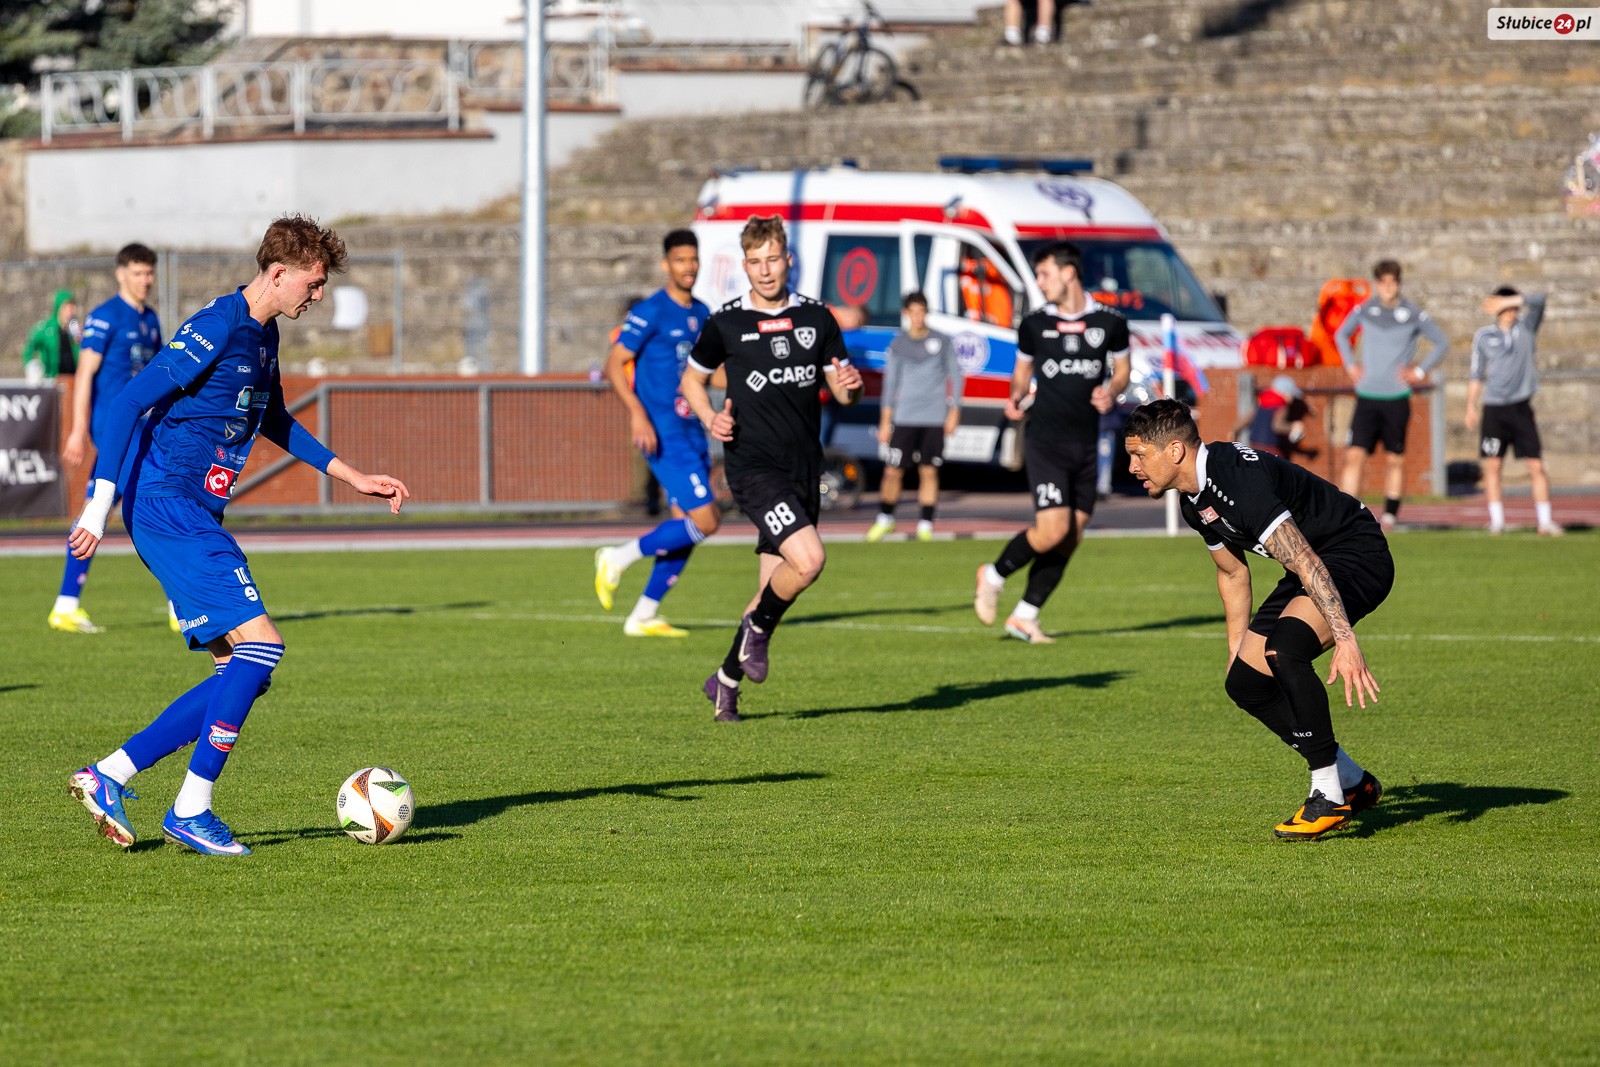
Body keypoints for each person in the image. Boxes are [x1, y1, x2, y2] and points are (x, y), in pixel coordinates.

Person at [66, 215, 410, 856]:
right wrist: (97, 507)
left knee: (241, 670)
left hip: (192, 511)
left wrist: (351, 475)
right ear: (278, 273)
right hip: (168, 506)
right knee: (263, 648)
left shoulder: (264, 335)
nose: (319, 295)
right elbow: (128, 402)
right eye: (313, 283)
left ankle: (109, 774)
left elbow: (272, 415)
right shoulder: (218, 326)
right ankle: (190, 809)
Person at [1123, 399, 1390, 840]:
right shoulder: (1194, 501)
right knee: (1245, 683)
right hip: (1312, 564)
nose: (1133, 466)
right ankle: (1352, 780)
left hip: (1355, 554)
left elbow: (1305, 560)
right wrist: (1236, 650)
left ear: (1174, 451)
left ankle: (1327, 794)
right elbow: (1232, 573)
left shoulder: (1236, 482)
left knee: (1285, 650)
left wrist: (1345, 640)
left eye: (1139, 455)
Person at [680, 214, 863, 722]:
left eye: (773, 259)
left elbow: (844, 390)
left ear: (788, 260)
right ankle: (757, 632)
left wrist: (851, 385)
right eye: (755, 262)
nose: (765, 270)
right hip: (753, 467)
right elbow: (692, 381)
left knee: (769, 590)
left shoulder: (817, 318)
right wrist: (710, 418)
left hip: (803, 468)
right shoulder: (727, 323)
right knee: (809, 560)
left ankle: (723, 682)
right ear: (744, 266)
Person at [973, 241, 1129, 644]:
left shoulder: (1110, 322)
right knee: (1052, 530)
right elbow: (1021, 374)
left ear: (1068, 272)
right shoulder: (1034, 324)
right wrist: (1016, 396)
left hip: (1086, 443)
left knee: (1072, 535)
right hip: (1045, 440)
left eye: (1044, 274)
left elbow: (1122, 370)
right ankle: (993, 575)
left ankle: (1025, 616)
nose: (1039, 282)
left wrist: (1111, 391)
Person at [593, 231, 718, 637]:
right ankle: (617, 557)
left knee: (686, 526)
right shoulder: (651, 311)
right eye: (680, 260)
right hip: (663, 431)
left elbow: (710, 373)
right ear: (666, 264)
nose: (688, 266)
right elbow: (614, 364)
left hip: (693, 428)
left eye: (693, 259)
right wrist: (637, 415)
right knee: (707, 519)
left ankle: (643, 615)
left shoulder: (702, 312)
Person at [48, 244, 165, 635]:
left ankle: (66, 605)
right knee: (154, 502)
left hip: (140, 429)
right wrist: (78, 430)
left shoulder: (150, 319)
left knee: (95, 507)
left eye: (149, 273)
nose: (145, 280)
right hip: (114, 429)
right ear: (120, 274)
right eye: (137, 273)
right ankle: (182, 605)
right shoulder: (104, 317)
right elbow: (84, 376)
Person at [1334, 259, 1449, 530]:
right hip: (1367, 396)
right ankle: (1345, 514)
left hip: (1396, 397)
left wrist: (1419, 371)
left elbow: (1442, 342)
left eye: (1393, 282)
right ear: (1376, 284)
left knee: (1394, 458)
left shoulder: (1413, 313)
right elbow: (1341, 335)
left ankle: (1390, 515)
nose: (1388, 287)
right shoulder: (1365, 310)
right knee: (1354, 455)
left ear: (1399, 283)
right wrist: (1350, 365)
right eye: (1383, 282)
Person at [867, 291, 962, 543]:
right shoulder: (899, 344)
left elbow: (956, 376)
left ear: (926, 313)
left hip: (934, 417)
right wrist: (885, 421)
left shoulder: (942, 341)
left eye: (922, 312)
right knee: (893, 470)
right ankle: (885, 518)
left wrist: (954, 411)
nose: (918, 317)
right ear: (905, 314)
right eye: (913, 312)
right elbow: (890, 384)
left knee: (929, 471)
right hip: (905, 417)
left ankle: (925, 524)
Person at [1467, 286, 1563, 536]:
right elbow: (1476, 373)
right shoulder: (1484, 336)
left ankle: (1545, 521)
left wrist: (1510, 300)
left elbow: (1539, 300)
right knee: (1493, 466)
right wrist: (1470, 406)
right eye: (1505, 307)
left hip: (1521, 407)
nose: (1510, 312)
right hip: (1494, 409)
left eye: (1513, 307)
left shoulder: (1526, 328)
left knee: (1536, 466)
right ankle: (1496, 521)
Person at [1234, 374, 1312, 459]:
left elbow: (1248, 417)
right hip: (1270, 446)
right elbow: (1277, 426)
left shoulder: (1262, 401)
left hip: (1254, 444)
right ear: (1284, 393)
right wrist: (1293, 426)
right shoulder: (1281, 406)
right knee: (1280, 465)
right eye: (1291, 394)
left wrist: (1234, 430)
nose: (1292, 398)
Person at [21, 289, 79, 384]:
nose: (71, 310)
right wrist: (31, 366)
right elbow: (29, 347)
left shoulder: (75, 330)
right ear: (59, 308)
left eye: (73, 306)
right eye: (68, 307)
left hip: (73, 381)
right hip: (52, 381)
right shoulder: (46, 329)